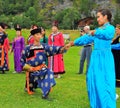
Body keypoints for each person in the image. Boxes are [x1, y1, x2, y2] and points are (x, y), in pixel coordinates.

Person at [66, 9, 116, 107]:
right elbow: (86, 38)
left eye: (99, 16)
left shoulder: (110, 28)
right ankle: (97, 104)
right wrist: (72, 43)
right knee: (93, 80)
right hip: (95, 58)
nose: (97, 19)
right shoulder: (98, 30)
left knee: (105, 82)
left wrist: (95, 32)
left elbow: (107, 35)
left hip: (105, 59)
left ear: (105, 16)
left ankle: (108, 105)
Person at [21, 28, 66, 99]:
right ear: (33, 36)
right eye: (37, 34)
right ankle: (30, 86)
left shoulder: (44, 46)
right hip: (32, 71)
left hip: (42, 69)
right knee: (30, 87)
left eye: (40, 34)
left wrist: (63, 48)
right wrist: (29, 68)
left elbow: (53, 48)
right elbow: (22, 61)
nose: (39, 36)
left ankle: (45, 94)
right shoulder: (28, 48)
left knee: (49, 72)